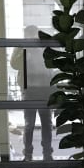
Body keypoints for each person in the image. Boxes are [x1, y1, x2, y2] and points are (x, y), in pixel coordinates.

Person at [11, 26, 54, 160]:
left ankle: (46, 154)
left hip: (44, 89)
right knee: (30, 124)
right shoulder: (21, 47)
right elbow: (14, 64)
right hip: (29, 89)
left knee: (45, 123)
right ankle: (29, 154)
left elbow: (52, 64)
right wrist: (25, 53)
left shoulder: (43, 46)